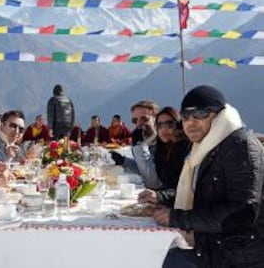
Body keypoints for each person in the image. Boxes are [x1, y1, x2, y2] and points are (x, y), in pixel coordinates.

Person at [155, 86, 264, 268]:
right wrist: (161, 201)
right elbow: (202, 194)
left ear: (220, 116)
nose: (191, 122)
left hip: (240, 256)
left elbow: (243, 212)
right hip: (215, 245)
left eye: (200, 113)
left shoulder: (239, 145)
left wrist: (177, 218)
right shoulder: (205, 146)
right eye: (185, 116)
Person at [138, 107, 191, 207]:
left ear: (179, 125)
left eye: (169, 124)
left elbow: (189, 190)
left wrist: (160, 196)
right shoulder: (162, 148)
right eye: (159, 125)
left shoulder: (187, 149)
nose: (164, 129)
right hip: (169, 203)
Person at [110, 100, 160, 188]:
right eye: (135, 121)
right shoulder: (145, 141)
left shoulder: (164, 142)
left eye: (144, 119)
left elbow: (153, 181)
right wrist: (123, 161)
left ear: (156, 119)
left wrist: (139, 146)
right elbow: (143, 168)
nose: (139, 124)